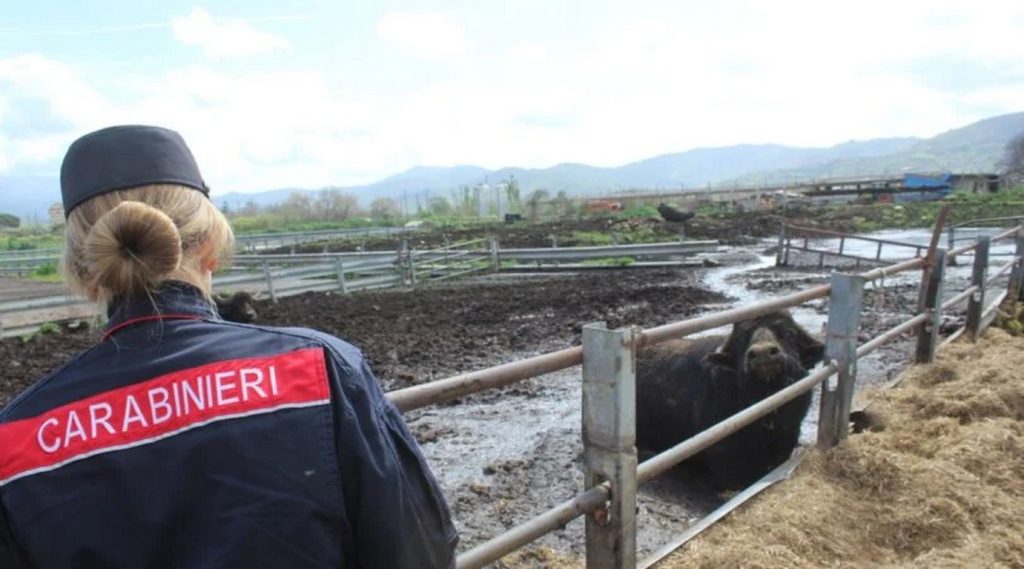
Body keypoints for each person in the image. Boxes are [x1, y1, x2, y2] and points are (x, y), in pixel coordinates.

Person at [0, 125, 458, 568]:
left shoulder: (16, 441)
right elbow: (420, 552)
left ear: (85, 274)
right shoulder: (320, 371)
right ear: (211, 247)